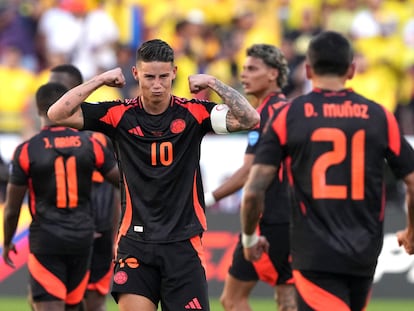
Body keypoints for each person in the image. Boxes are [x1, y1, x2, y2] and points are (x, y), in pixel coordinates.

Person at [47, 38, 260, 311]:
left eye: (163, 76)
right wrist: (100, 79)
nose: (157, 84)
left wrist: (213, 83)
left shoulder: (194, 113)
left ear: (174, 72)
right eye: (149, 77)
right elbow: (57, 114)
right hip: (135, 244)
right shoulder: (118, 114)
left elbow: (250, 119)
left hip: (183, 243)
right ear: (136, 74)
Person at [240, 30, 414, 311]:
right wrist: (412, 230)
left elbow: (254, 189)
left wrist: (248, 238)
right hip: (365, 252)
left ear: (308, 70)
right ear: (352, 69)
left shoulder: (289, 116)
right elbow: (412, 182)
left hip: (314, 253)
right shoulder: (380, 116)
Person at [2, 82, 120, 311]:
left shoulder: (28, 150)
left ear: (38, 111)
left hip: (46, 239)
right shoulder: (90, 144)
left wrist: (7, 241)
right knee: (74, 307)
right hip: (83, 239)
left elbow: (12, 209)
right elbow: (122, 183)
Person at [204, 44, 296, 311]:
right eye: (243, 68)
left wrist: (208, 197)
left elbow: (250, 171)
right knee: (286, 298)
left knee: (233, 299)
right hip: (294, 216)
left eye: (252, 69)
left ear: (273, 74)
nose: (244, 75)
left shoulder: (266, 115)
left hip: (270, 218)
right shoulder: (289, 110)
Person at [48, 64, 121, 311]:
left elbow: (118, 185)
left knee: (91, 302)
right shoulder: (42, 139)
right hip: (54, 232)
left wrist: (114, 233)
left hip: (96, 232)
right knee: (46, 299)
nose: (53, 93)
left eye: (59, 88)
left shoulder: (97, 132)